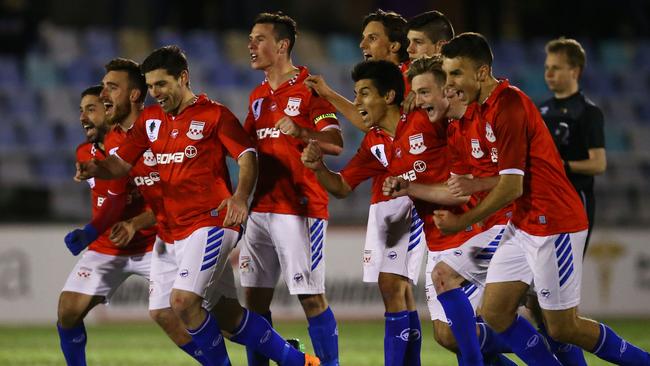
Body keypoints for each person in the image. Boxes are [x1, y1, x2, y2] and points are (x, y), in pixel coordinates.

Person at [75, 45, 321, 366]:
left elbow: (247, 157)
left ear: (183, 77)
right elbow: (120, 165)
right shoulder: (151, 119)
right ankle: (298, 361)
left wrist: (240, 197)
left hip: (213, 222)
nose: (155, 93)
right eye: (150, 86)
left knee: (183, 300)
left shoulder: (214, 114)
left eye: (161, 84)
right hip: (171, 232)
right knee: (200, 313)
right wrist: (96, 168)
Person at [436, 32, 650, 365]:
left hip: (555, 224)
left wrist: (461, 222)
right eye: (446, 75)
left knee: (564, 327)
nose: (449, 83)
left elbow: (511, 187)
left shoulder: (508, 104)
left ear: (480, 72)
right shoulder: (482, 109)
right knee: (495, 312)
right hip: (523, 225)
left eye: (456, 74)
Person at [301, 60, 440, 366]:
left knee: (395, 287)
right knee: (394, 290)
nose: (358, 103)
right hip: (403, 209)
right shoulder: (374, 142)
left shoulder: (423, 118)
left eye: (364, 93)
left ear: (389, 96)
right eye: (356, 94)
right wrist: (318, 167)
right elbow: (341, 187)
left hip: (436, 213)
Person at [382, 56, 516, 366]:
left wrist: (413, 190)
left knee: (542, 321)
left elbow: (470, 190)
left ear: (449, 90)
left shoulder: (476, 120)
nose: (418, 100)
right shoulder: (454, 129)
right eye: (415, 92)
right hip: (456, 235)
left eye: (425, 92)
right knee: (449, 335)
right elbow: (458, 187)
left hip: (501, 227)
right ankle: (542, 343)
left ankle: (546, 345)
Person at [58, 84, 201, 366]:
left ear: (109, 112)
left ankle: (266, 347)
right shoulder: (83, 153)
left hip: (153, 245)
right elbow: (108, 200)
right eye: (81, 111)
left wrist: (132, 223)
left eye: (91, 109)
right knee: (67, 311)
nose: (83, 117)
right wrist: (92, 233)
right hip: (107, 247)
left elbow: (164, 201)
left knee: (191, 317)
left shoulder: (135, 147)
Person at [241, 12, 343, 366]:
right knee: (254, 302)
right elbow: (247, 151)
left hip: (299, 207)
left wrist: (302, 134)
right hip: (260, 209)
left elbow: (335, 140)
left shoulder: (309, 88)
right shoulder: (257, 96)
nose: (251, 45)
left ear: (282, 45)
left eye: (259, 39)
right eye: (251, 39)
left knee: (310, 297)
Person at [539, 37, 606, 249]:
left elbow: (598, 164)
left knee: (568, 272)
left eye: (556, 68)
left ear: (575, 72)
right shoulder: (540, 111)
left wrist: (562, 165)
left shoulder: (588, 113)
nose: (549, 73)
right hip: (545, 202)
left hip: (575, 200)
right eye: (547, 67)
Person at [305, 9, 409, 132]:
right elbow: (369, 123)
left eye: (372, 38)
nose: (362, 44)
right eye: (363, 38)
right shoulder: (388, 78)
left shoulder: (411, 78)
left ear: (394, 46)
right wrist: (327, 94)